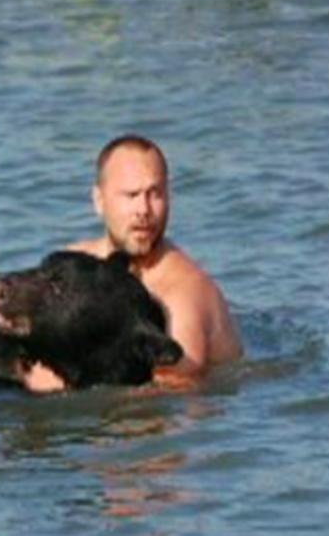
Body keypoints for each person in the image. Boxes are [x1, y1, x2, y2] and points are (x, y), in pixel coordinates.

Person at [23, 135, 243, 392]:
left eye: (155, 194)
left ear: (169, 197)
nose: (144, 210)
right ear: (99, 200)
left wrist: (67, 386)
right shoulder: (72, 266)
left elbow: (177, 393)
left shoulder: (181, 295)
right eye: (131, 195)